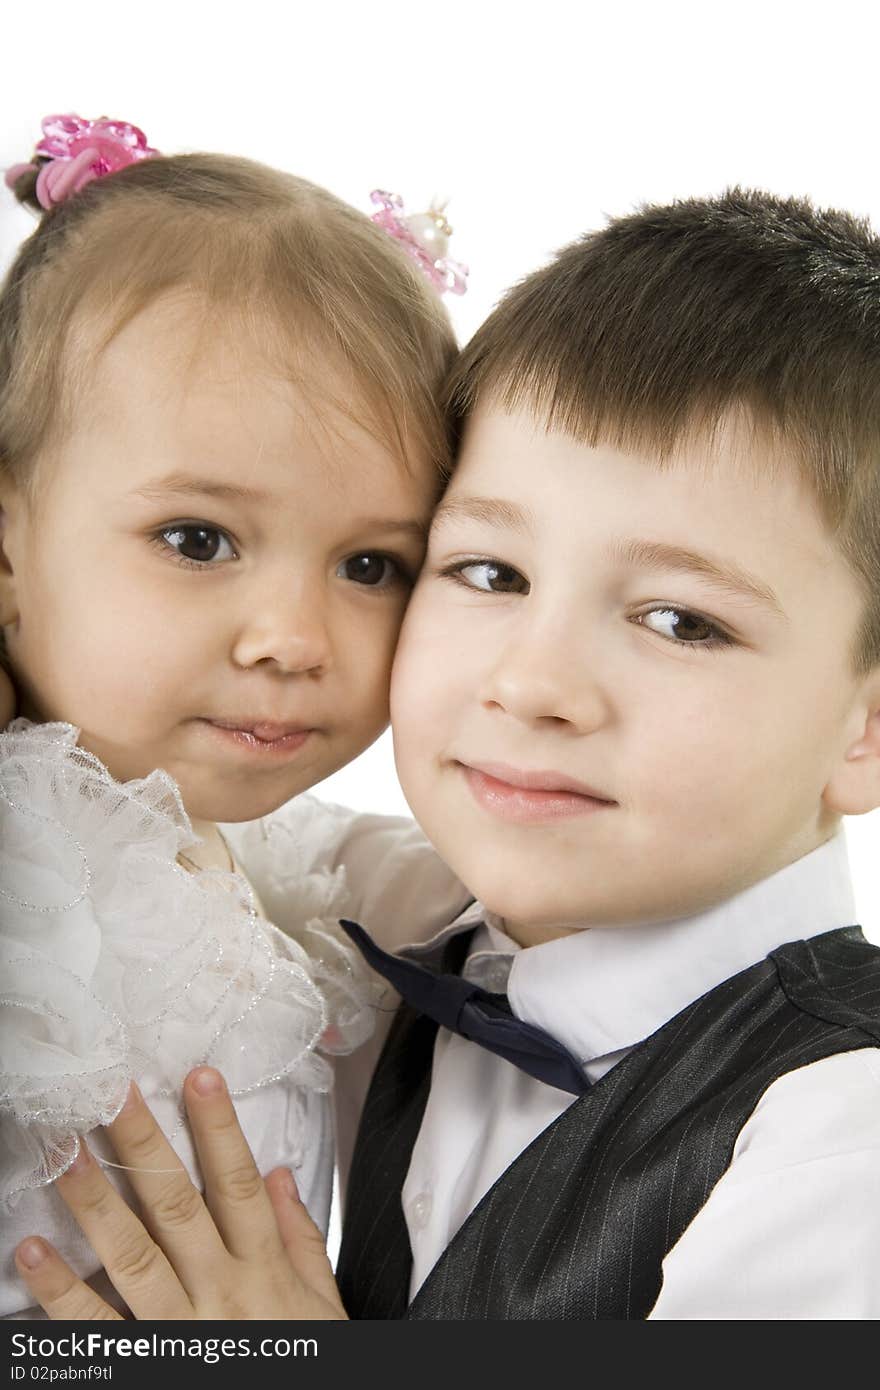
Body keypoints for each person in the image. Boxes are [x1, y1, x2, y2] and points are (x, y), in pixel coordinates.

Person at [14, 186, 880, 1320]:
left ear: (863, 726)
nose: (530, 684)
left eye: (680, 620)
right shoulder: (383, 917)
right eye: (489, 572)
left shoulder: (838, 1134)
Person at [0, 115, 467, 1319]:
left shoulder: (265, 861)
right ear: (8, 545)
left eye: (371, 564)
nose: (293, 638)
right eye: (196, 540)